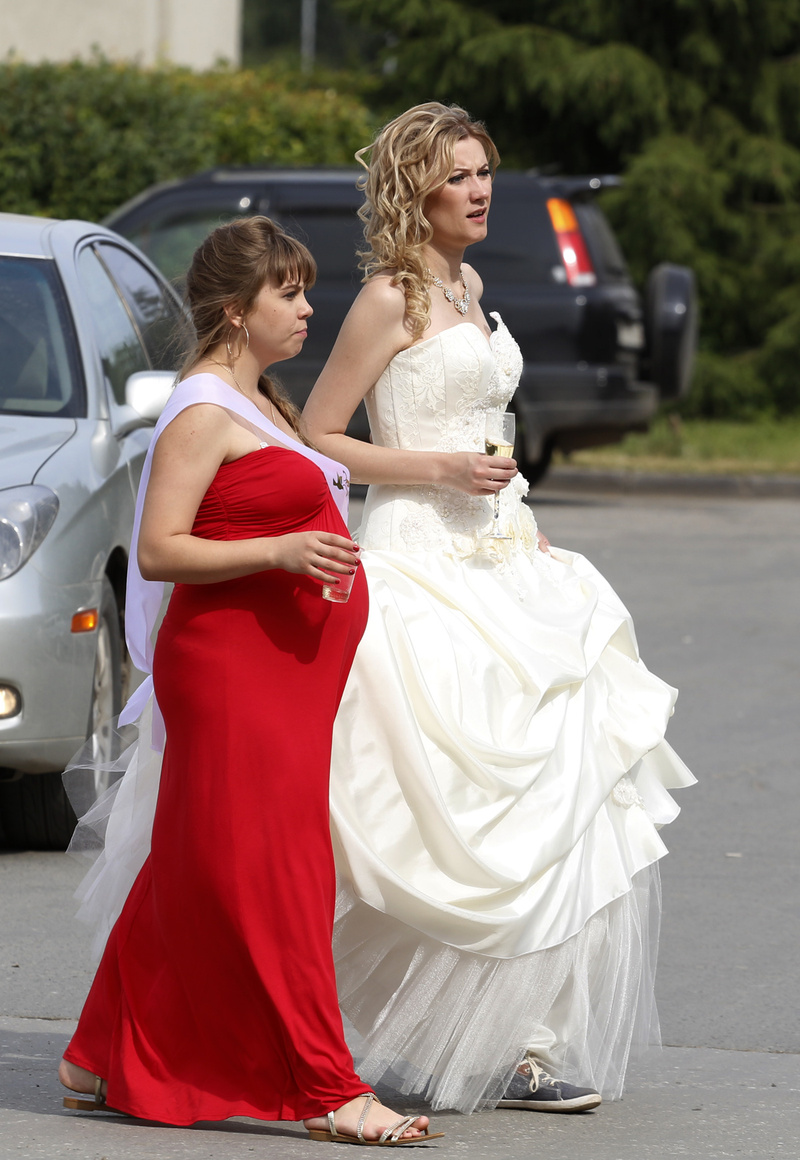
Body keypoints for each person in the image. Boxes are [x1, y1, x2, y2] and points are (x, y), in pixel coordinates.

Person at [303, 103, 696, 1115]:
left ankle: (521, 1039)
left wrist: (519, 513)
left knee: (550, 785)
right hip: (416, 558)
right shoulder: (388, 297)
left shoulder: (468, 286)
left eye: (483, 172)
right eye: (457, 176)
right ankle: (386, 1023)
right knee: (431, 803)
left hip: (502, 550)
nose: (479, 191)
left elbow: (486, 424)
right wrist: (435, 468)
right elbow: (320, 432)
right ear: (415, 190)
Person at [58, 216, 442, 1146]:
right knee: (277, 874)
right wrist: (278, 551)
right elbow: (159, 549)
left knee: (194, 859)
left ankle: (97, 1050)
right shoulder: (202, 409)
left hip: (285, 674)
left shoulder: (262, 399)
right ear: (235, 310)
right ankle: (328, 1087)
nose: (309, 308)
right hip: (233, 672)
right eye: (289, 293)